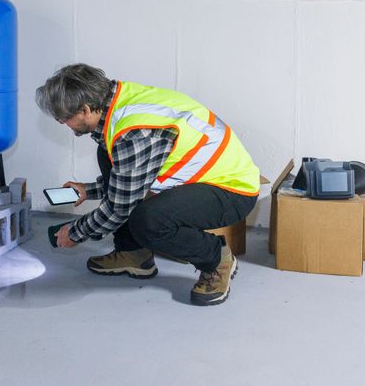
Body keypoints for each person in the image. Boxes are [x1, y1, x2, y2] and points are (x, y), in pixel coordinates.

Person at [35, 64, 260, 306]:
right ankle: (134, 254)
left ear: (86, 109)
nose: (62, 123)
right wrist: (88, 190)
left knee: (149, 221)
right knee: (107, 152)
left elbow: (119, 208)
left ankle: (216, 259)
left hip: (231, 189)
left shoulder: (132, 132)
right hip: (202, 176)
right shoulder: (118, 99)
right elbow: (130, 179)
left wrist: (76, 233)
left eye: (64, 117)